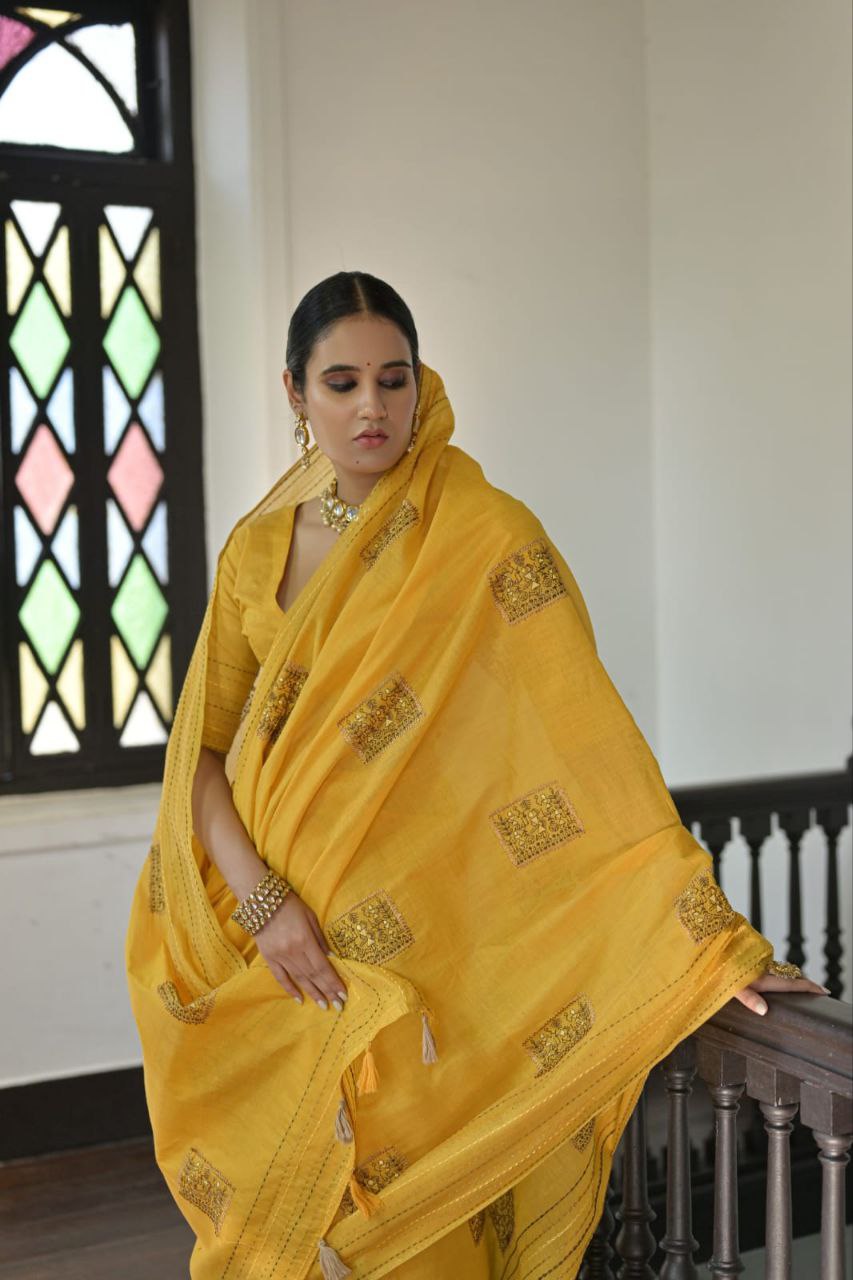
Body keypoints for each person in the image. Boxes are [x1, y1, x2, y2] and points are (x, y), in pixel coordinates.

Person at [125, 271, 826, 1280]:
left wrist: (707, 937)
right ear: (295, 393)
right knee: (290, 1223)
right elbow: (197, 750)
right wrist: (264, 901)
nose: (372, 406)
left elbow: (587, 749)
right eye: (341, 382)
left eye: (393, 378)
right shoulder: (255, 552)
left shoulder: (484, 533)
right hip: (272, 945)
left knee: (421, 1230)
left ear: (421, 382)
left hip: (431, 954)